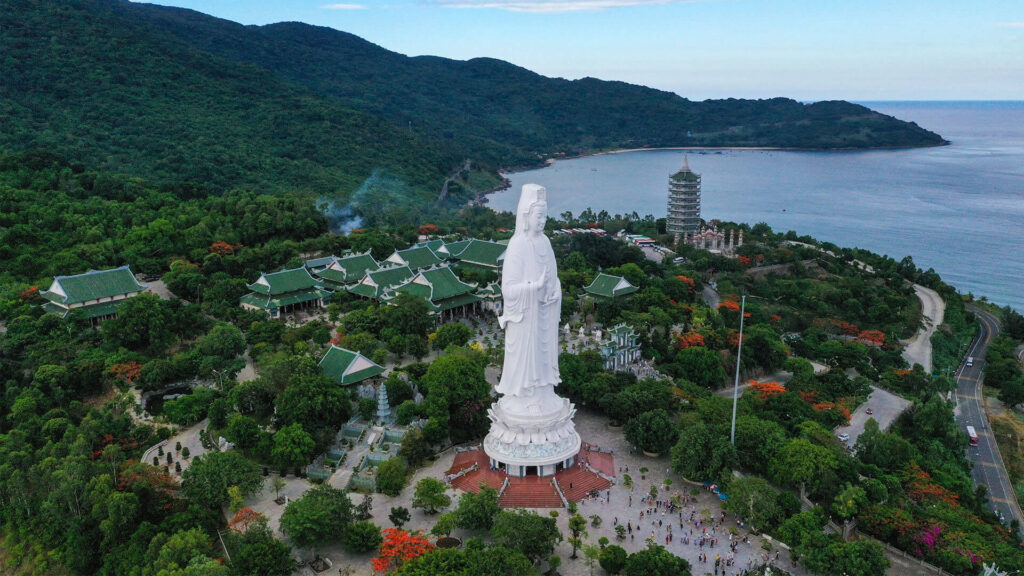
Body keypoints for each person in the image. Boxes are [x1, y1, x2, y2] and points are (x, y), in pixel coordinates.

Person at [495, 182, 561, 398]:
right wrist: (534, 287)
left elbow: (554, 279)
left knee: (543, 357)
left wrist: (553, 292)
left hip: (543, 312)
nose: (542, 221)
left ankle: (542, 389)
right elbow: (508, 290)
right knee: (525, 358)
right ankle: (524, 393)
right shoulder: (517, 245)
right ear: (526, 215)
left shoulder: (546, 242)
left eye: (545, 217)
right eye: (538, 216)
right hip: (524, 317)